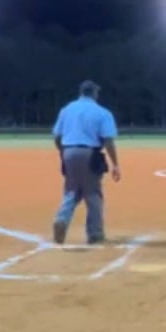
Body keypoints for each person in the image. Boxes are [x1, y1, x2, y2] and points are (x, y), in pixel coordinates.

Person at [51, 80, 121, 245]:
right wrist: (115, 164)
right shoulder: (102, 112)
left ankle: (61, 219)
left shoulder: (66, 109)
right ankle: (95, 233)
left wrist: (63, 153)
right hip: (90, 153)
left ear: (81, 92)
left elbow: (57, 137)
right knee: (93, 194)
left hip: (68, 151)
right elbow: (108, 140)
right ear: (95, 93)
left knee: (71, 191)